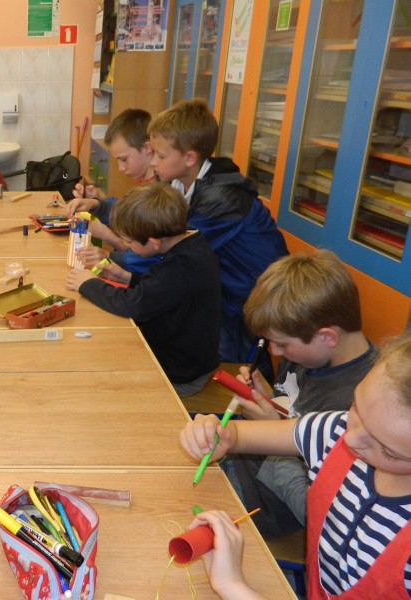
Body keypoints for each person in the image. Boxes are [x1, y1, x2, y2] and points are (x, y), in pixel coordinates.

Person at [180, 332, 411, 599]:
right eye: (356, 406)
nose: (350, 439)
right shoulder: (335, 429)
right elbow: (235, 435)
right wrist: (217, 434)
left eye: (388, 451)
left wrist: (232, 584)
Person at [222, 250, 379, 538]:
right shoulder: (308, 354)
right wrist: (268, 401)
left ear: (327, 336)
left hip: (266, 507)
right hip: (246, 463)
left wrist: (271, 433)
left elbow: (312, 511)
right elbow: (294, 407)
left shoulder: (363, 407)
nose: (275, 352)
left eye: (281, 344)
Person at [147, 98, 288, 377]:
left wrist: (120, 263)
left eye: (160, 156)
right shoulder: (179, 182)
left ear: (189, 158)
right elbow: (151, 221)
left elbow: (173, 249)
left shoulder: (220, 199)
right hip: (227, 289)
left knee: (240, 372)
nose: (153, 163)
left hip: (252, 297)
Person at [66, 182, 220, 396]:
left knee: (97, 379)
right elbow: (166, 292)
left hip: (178, 374)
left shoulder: (177, 267)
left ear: (154, 242)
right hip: (189, 359)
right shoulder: (193, 244)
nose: (127, 246)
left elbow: (132, 305)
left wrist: (88, 284)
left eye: (129, 242)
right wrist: (127, 278)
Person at [66, 108, 156, 272]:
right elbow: (126, 211)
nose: (120, 168)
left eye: (124, 159)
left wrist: (109, 238)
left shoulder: (159, 193)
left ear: (147, 148)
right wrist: (95, 203)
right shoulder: (144, 182)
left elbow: (147, 261)